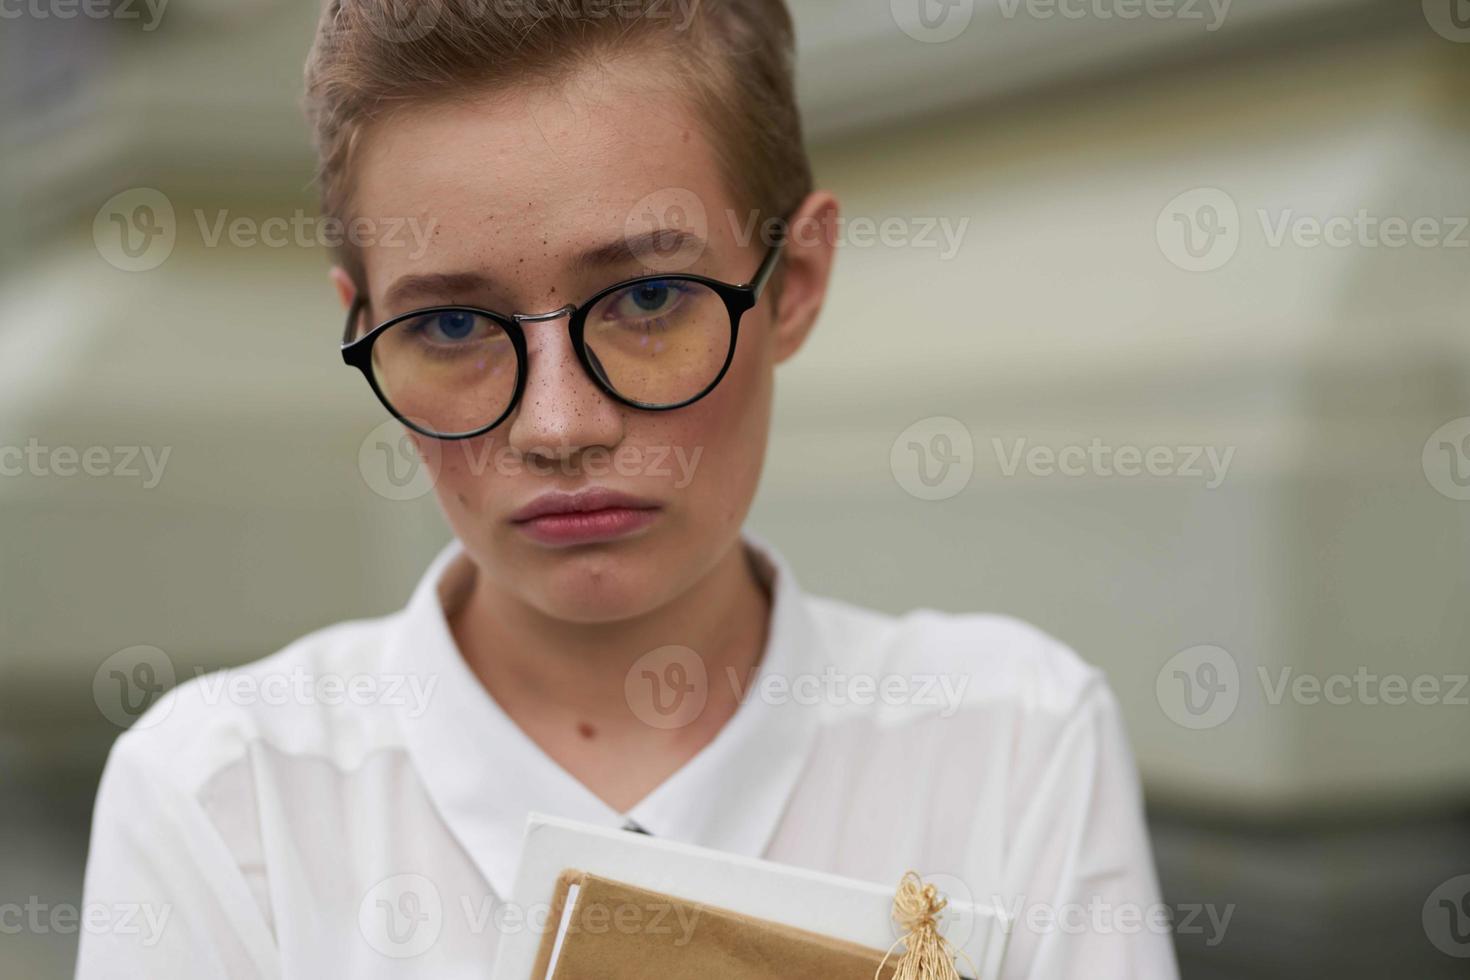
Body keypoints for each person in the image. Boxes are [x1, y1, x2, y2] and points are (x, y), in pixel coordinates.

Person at [77, 2, 1178, 976]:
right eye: (451, 326)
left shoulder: (1010, 740)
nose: (560, 425)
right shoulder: (226, 801)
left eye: (649, 298)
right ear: (363, 329)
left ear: (793, 282)